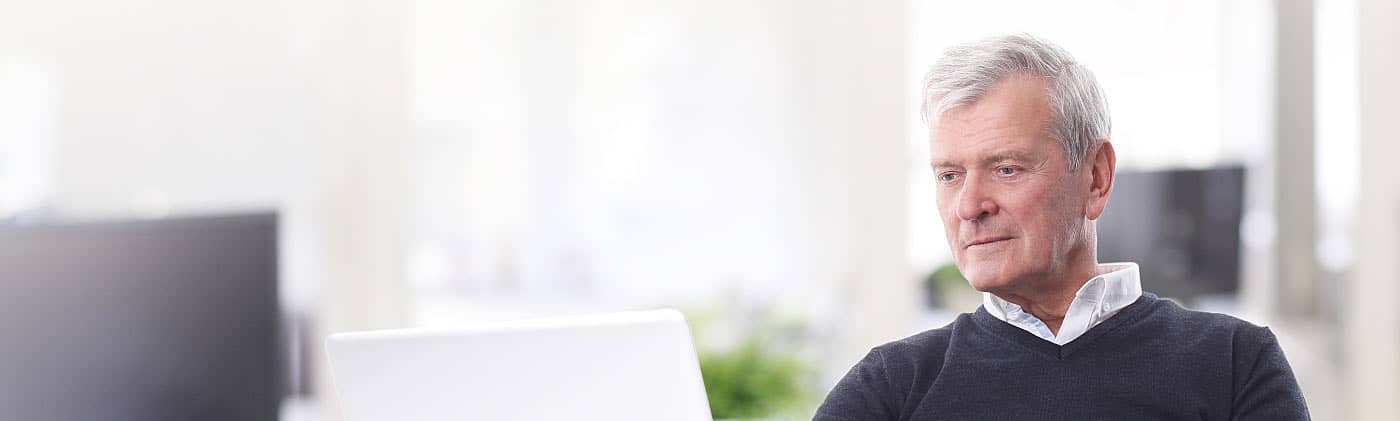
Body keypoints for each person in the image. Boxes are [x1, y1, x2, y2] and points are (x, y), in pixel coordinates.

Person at [813, 34, 1309, 420]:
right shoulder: (893, 383)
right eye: (949, 175)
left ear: (1095, 177)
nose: (969, 206)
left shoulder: (1233, 362)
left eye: (1007, 169)